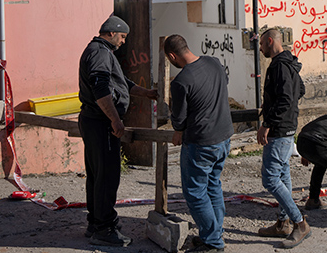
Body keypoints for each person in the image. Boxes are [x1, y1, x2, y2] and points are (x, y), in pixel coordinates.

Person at [78, 15, 158, 247]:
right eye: (122, 37)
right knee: (107, 175)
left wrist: (147, 93)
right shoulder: (100, 53)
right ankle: (103, 228)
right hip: (100, 122)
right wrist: (114, 119)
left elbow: (121, 82)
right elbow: (101, 88)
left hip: (94, 121)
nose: (123, 42)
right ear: (111, 33)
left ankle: (96, 222)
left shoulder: (100, 52)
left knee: (97, 174)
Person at [165, 35, 234, 253]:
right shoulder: (214, 62)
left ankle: (213, 242)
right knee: (213, 184)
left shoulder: (181, 82)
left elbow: (179, 118)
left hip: (201, 142)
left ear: (172, 56)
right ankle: (214, 233)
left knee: (195, 191)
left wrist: (177, 130)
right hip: (224, 137)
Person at [257, 28, 309, 249]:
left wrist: (268, 123)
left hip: (279, 131)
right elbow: (300, 90)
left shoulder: (279, 65)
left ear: (270, 42)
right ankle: (282, 222)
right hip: (287, 127)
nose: (260, 48)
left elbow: (287, 97)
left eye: (261, 44)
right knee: (283, 174)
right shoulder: (290, 63)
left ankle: (299, 223)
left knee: (270, 179)